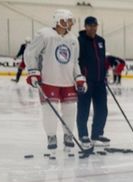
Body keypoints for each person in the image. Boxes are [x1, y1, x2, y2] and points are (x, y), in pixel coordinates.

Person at [25, 9, 88, 151]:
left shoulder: (73, 39)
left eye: (71, 21)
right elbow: (30, 53)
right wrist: (33, 72)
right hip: (49, 80)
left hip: (68, 81)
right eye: (68, 20)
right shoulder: (44, 35)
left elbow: (74, 61)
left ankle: (68, 135)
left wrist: (79, 77)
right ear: (60, 20)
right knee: (49, 111)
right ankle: (51, 136)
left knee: (71, 110)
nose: (71, 24)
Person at [77, 16, 109, 146]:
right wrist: (80, 77)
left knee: (102, 109)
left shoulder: (101, 40)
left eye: (94, 25)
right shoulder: (79, 41)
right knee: (84, 108)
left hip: (100, 81)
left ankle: (97, 134)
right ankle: (83, 134)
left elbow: (102, 59)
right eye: (90, 25)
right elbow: (77, 61)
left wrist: (104, 75)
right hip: (85, 80)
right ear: (85, 26)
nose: (92, 28)